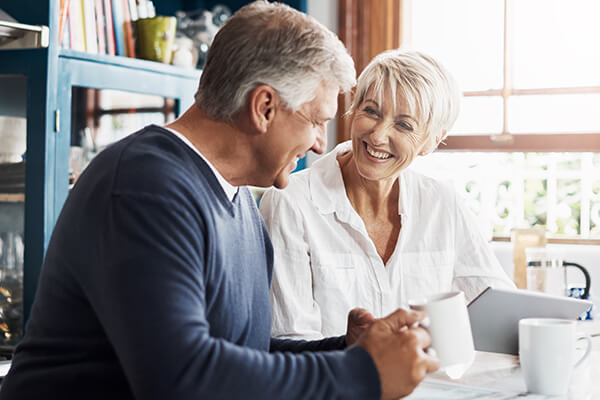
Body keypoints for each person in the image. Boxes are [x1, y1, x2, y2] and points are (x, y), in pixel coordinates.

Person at [0, 2, 439, 400]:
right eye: (318, 121)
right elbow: (183, 377)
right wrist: (361, 372)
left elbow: (237, 353)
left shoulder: (239, 200)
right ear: (264, 107)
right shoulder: (143, 186)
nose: (320, 145)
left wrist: (343, 347)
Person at [260, 49, 515, 341]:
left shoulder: (444, 204)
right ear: (353, 109)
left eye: (404, 125)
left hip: (433, 384)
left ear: (431, 141)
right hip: (337, 385)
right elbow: (290, 342)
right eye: (371, 111)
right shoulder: (290, 202)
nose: (379, 136)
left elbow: (500, 309)